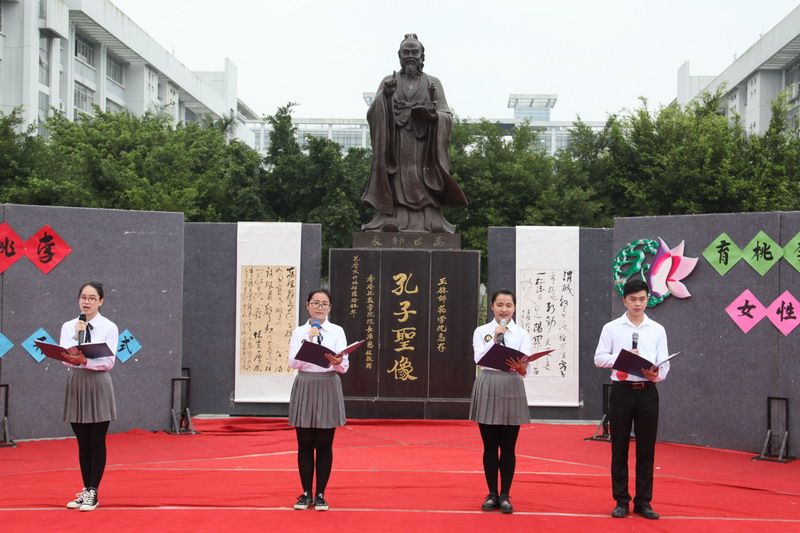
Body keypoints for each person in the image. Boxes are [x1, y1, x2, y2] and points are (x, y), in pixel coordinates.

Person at [361, 33, 468, 233]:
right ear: (399, 56)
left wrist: (434, 116)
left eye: (414, 52)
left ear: (422, 56)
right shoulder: (389, 80)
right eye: (406, 52)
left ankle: (430, 219)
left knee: (424, 176)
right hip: (397, 143)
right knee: (396, 178)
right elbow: (373, 113)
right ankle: (392, 217)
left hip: (423, 145)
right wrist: (385, 95)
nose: (410, 56)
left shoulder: (432, 83)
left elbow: (446, 114)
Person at [594, 278, 670, 520]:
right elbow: (598, 358)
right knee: (619, 448)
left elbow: (665, 366)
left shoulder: (657, 329)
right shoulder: (612, 328)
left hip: (647, 391)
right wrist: (621, 358)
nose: (638, 304)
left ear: (648, 299)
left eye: (642, 299)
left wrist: (655, 373)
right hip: (622, 391)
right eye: (633, 299)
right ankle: (621, 501)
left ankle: (644, 501)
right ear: (624, 300)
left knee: (646, 450)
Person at [469, 289, 532, 514]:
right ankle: (491, 493)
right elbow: (479, 358)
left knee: (508, 446)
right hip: (488, 383)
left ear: (514, 308)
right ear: (492, 307)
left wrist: (521, 367)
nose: (504, 309)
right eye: (500, 305)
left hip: (511, 384)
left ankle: (505, 494)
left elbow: (526, 371)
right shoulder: (482, 331)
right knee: (489, 445)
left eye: (508, 305)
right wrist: (495, 338)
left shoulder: (522, 334)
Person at [287, 289, 349, 511]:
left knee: (324, 444)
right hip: (305, 384)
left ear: (330, 307)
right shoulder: (299, 332)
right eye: (315, 303)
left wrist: (337, 360)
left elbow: (344, 367)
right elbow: (293, 363)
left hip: (328, 384)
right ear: (307, 305)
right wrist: (309, 341)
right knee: (304, 443)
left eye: (324, 303)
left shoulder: (337, 331)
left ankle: (321, 494)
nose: (319, 307)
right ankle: (305, 494)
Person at [60, 281, 119, 512]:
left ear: (101, 301)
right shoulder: (68, 326)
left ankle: (94, 491)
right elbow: (64, 357)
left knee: (96, 439)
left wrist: (86, 360)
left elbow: (109, 361)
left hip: (98, 383)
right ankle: (85, 491)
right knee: (82, 441)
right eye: (83, 297)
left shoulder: (109, 327)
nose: (87, 301)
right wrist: (76, 341)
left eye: (92, 298)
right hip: (76, 382)